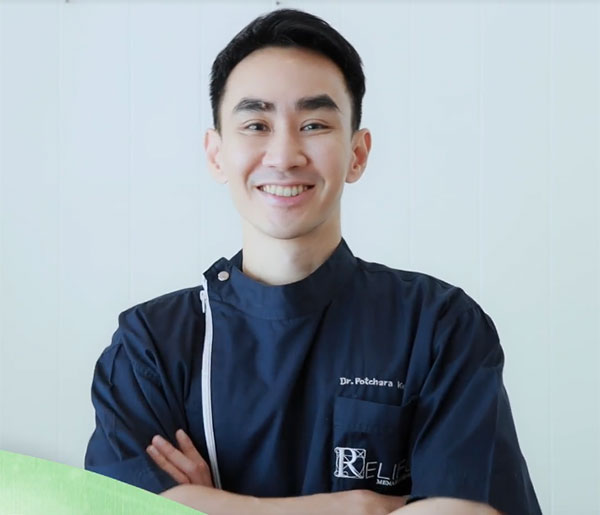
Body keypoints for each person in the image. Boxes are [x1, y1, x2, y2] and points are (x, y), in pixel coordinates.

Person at [84, 8, 541, 515]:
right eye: (256, 124)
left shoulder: (438, 327)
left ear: (357, 154)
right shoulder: (151, 348)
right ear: (216, 154)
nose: (284, 155)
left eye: (314, 124)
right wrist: (361, 507)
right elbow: (116, 509)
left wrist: (210, 505)